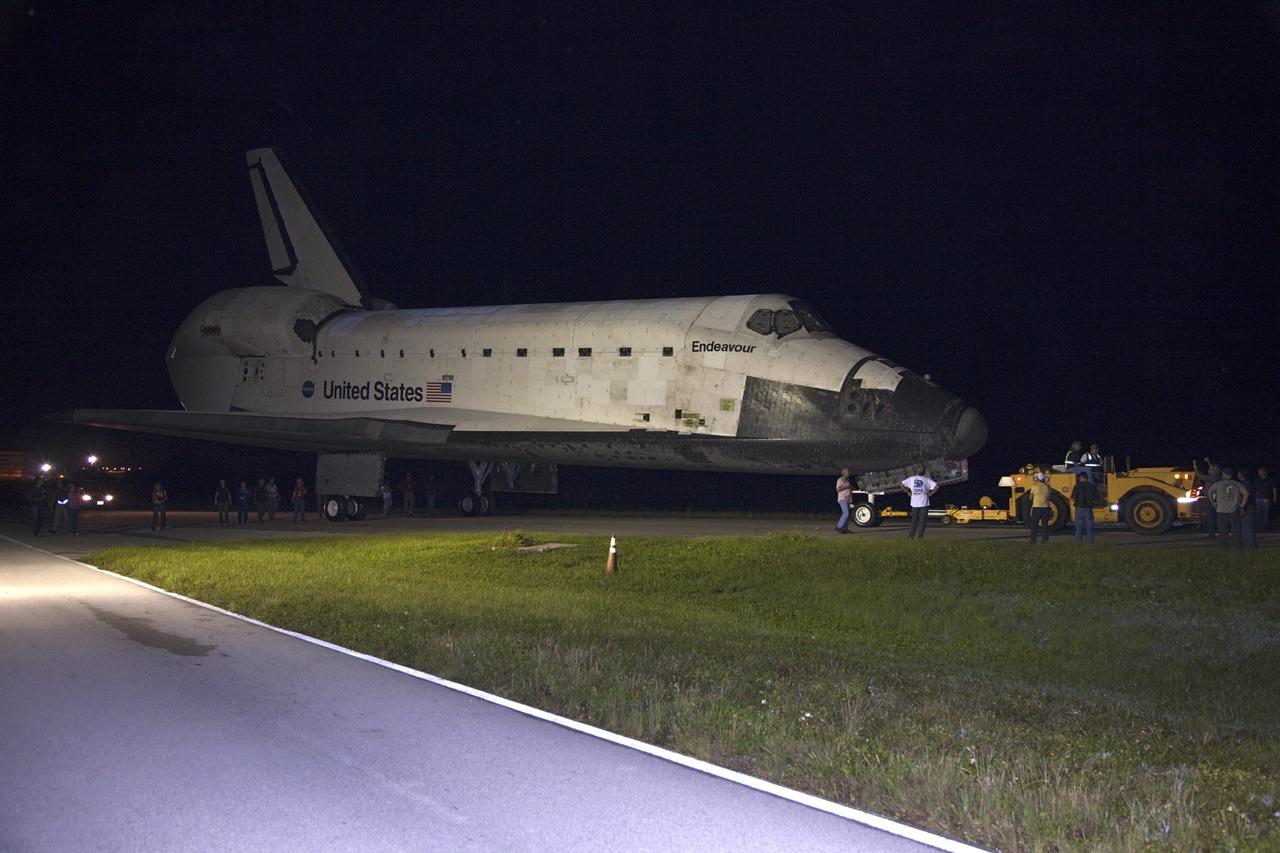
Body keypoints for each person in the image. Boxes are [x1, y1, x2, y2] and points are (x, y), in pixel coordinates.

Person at [1206, 468, 1247, 549]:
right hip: (1234, 509)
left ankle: (1223, 545)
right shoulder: (1236, 484)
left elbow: (1209, 492)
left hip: (1221, 509)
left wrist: (1213, 503)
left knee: (1222, 529)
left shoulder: (1218, 484)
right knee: (1235, 528)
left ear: (1225, 475)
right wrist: (1242, 505)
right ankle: (1237, 545)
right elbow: (1246, 493)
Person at [900, 467, 938, 539]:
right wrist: (907, 492)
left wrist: (931, 493)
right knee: (917, 520)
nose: (921, 471)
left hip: (922, 503)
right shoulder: (914, 479)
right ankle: (912, 536)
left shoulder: (925, 479)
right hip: (917, 503)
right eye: (920, 470)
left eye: (922, 470)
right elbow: (901, 484)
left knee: (920, 520)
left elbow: (936, 486)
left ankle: (917, 536)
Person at [1194, 458, 1222, 538]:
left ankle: (1212, 533)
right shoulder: (1217, 477)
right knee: (1217, 517)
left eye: (1212, 469)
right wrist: (1208, 462)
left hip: (1211, 500)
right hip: (1217, 499)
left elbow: (1199, 475)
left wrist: (1195, 466)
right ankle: (1220, 532)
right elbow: (1213, 469)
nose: (1210, 470)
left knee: (1210, 517)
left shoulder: (1211, 478)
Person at [1070, 472, 1099, 545]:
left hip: (1079, 508)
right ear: (1087, 477)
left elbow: (1073, 498)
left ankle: (1078, 543)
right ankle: (1090, 543)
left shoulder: (1076, 486)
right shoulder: (1092, 486)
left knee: (1079, 527)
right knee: (1089, 528)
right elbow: (1096, 498)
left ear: (1080, 478)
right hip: (1088, 509)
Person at [1027, 471, 1053, 544]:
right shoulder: (1047, 487)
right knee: (1045, 525)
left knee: (1034, 525)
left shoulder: (1034, 487)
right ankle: (1045, 540)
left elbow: (1030, 498)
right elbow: (1049, 497)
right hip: (1046, 508)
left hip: (1036, 507)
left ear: (1037, 478)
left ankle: (1033, 540)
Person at [1237, 469, 1258, 548]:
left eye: (1239, 473)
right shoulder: (1249, 483)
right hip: (1250, 506)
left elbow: (1247, 494)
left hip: (1248, 507)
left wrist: (1242, 505)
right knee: (1247, 526)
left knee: (1247, 526)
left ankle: (1250, 544)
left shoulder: (1245, 484)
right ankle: (1249, 543)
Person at [1256, 466, 1275, 530]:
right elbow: (1256, 489)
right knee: (1258, 512)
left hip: (1266, 497)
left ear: (1264, 471)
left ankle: (1264, 527)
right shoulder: (1258, 479)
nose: (1259, 472)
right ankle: (1258, 526)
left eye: (1260, 471)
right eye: (1259, 471)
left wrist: (1275, 496)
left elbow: (1273, 488)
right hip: (1258, 498)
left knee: (1265, 513)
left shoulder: (1269, 479)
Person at [834, 467, 852, 534]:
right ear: (843, 473)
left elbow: (849, 488)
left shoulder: (847, 480)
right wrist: (847, 486)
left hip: (848, 499)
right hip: (842, 499)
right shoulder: (840, 480)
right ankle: (839, 526)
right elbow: (838, 489)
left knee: (847, 514)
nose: (849, 473)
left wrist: (850, 487)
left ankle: (844, 529)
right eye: (848, 472)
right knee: (846, 513)